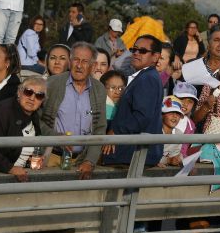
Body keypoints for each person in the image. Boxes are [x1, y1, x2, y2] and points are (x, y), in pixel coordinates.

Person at [39, 42, 106, 179]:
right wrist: (55, 137)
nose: (79, 65)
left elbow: (99, 128)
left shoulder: (99, 89)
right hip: (51, 157)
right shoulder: (52, 84)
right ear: (70, 62)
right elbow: (37, 119)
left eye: (85, 61)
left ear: (92, 66)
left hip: (82, 161)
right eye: (76, 59)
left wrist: (90, 161)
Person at [102, 35, 164, 167]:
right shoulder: (145, 76)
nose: (136, 53)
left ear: (155, 56)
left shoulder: (147, 79)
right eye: (134, 49)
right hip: (133, 154)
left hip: (132, 155)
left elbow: (142, 116)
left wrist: (115, 131)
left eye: (142, 51)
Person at [0, 77, 47, 182]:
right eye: (28, 92)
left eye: (39, 95)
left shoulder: (34, 115)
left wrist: (30, 159)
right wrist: (10, 168)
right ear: (19, 92)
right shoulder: (2, 112)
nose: (32, 98)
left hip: (22, 173)